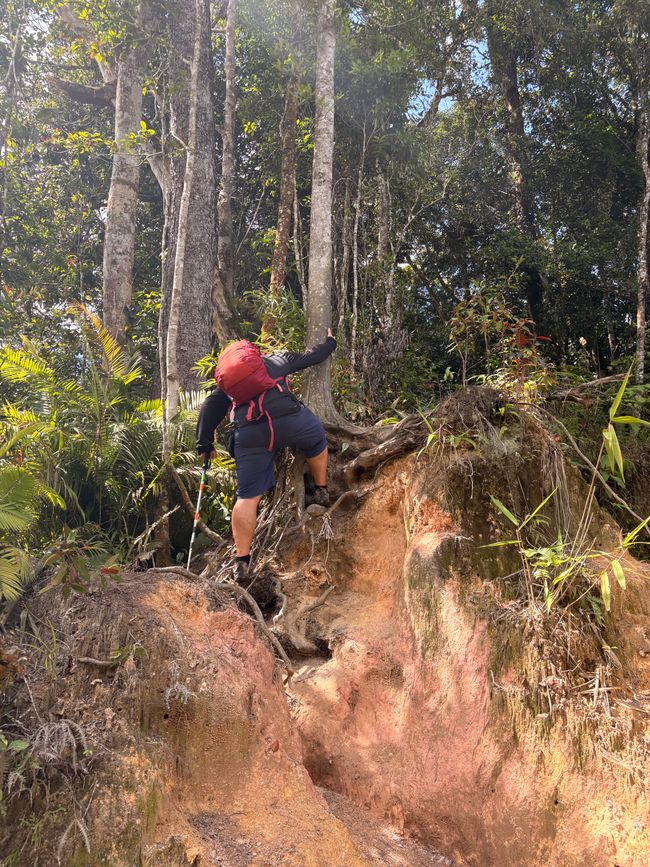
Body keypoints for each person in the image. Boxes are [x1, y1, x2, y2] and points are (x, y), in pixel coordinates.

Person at [196, 329, 336, 581]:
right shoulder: (274, 361)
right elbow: (311, 357)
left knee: (247, 496)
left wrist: (204, 444)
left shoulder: (228, 386)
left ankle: (242, 560)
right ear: (253, 353)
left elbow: (208, 409)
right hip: (290, 421)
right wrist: (330, 342)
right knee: (317, 441)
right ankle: (321, 489)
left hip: (251, 436)